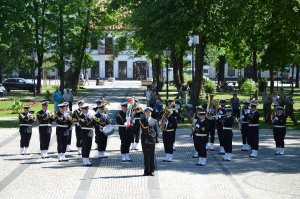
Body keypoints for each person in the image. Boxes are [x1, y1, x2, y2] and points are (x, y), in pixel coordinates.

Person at [140, 107, 159, 176]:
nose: (148, 114)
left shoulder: (154, 121)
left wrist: (157, 139)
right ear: (144, 113)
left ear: (151, 113)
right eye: (146, 112)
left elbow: (157, 130)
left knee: (151, 156)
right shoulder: (142, 120)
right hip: (144, 140)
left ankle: (152, 171)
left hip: (152, 140)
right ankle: (146, 171)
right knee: (145, 156)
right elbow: (139, 127)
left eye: (149, 112)